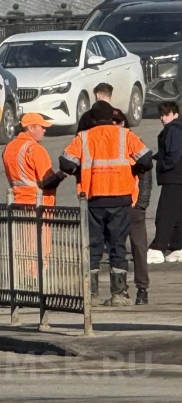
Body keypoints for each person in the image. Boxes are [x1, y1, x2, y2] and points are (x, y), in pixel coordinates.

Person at [59, 101, 153, 306]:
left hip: (93, 198)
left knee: (93, 246)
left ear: (93, 117)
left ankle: (90, 294)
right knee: (117, 246)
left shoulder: (84, 137)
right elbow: (146, 159)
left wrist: (81, 171)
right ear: (112, 116)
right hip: (120, 198)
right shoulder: (124, 135)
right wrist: (132, 170)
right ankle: (118, 294)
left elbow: (65, 162)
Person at [112, 112, 151, 305]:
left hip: (133, 206)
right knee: (117, 249)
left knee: (138, 249)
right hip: (115, 206)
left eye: (118, 123)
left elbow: (145, 174)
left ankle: (142, 289)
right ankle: (121, 290)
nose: (115, 126)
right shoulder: (107, 145)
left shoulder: (134, 142)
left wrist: (142, 203)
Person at [2, 113, 67, 206]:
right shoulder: (36, 150)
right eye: (42, 127)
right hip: (38, 205)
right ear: (31, 128)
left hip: (16, 204)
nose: (45, 130)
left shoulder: (8, 148)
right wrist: (60, 175)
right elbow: (47, 182)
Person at [148, 101, 182, 265]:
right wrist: (157, 157)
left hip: (173, 177)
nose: (163, 118)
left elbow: (174, 153)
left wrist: (164, 165)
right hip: (179, 178)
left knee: (165, 213)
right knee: (177, 215)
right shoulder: (179, 127)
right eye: (161, 114)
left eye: (166, 114)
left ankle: (157, 249)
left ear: (175, 114)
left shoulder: (173, 129)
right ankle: (177, 247)